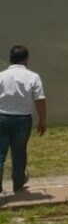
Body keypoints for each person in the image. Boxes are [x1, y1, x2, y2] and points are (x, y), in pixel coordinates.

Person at [0, 45, 46, 196]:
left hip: (2, 117)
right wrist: (42, 120)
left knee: (0, 153)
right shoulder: (33, 77)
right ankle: (18, 183)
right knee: (19, 152)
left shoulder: (1, 76)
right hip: (22, 120)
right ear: (26, 59)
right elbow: (39, 99)